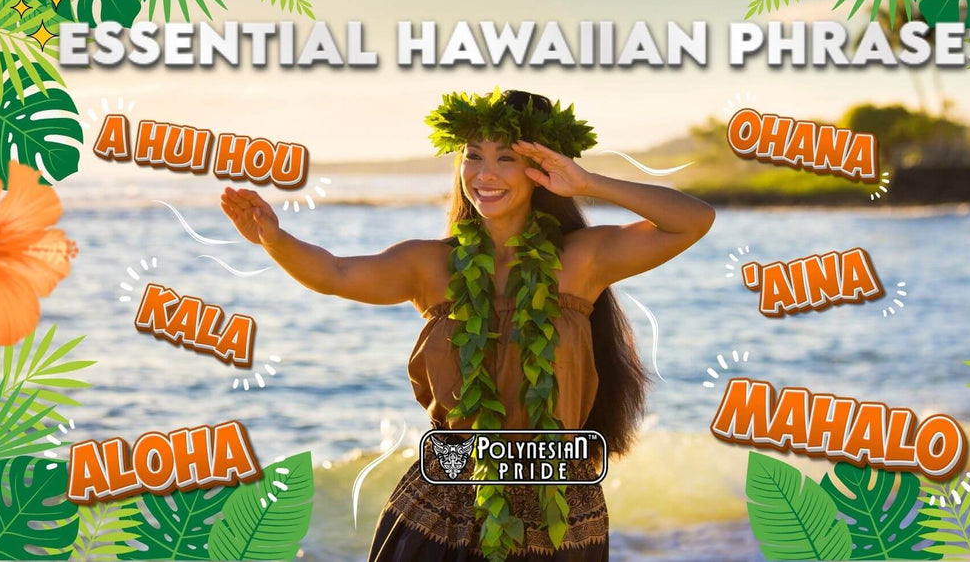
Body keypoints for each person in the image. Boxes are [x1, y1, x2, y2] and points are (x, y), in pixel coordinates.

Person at [219, 89, 716, 561]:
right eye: (473, 156)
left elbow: (692, 220)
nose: (485, 173)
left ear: (541, 170)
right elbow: (334, 273)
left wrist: (588, 182)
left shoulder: (581, 260)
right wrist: (273, 238)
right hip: (445, 498)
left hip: (558, 503)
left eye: (506, 158)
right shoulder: (429, 265)